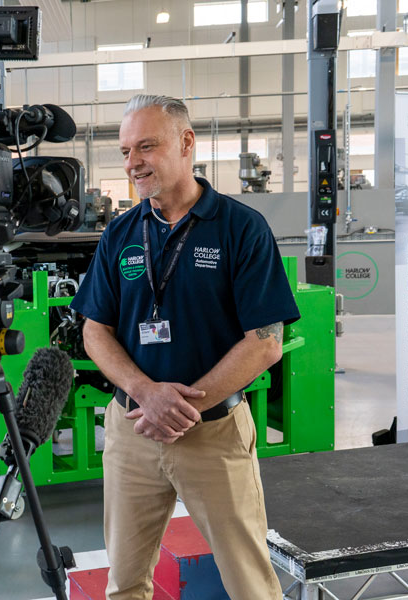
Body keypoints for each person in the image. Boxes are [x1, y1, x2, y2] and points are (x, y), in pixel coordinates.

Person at [70, 95, 300, 600]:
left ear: (186, 143)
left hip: (213, 435)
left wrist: (179, 405)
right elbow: (94, 330)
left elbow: (265, 343)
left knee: (250, 582)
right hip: (132, 433)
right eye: (126, 150)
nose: (132, 163)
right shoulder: (121, 234)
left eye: (146, 147)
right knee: (124, 583)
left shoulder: (242, 229)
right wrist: (145, 393)